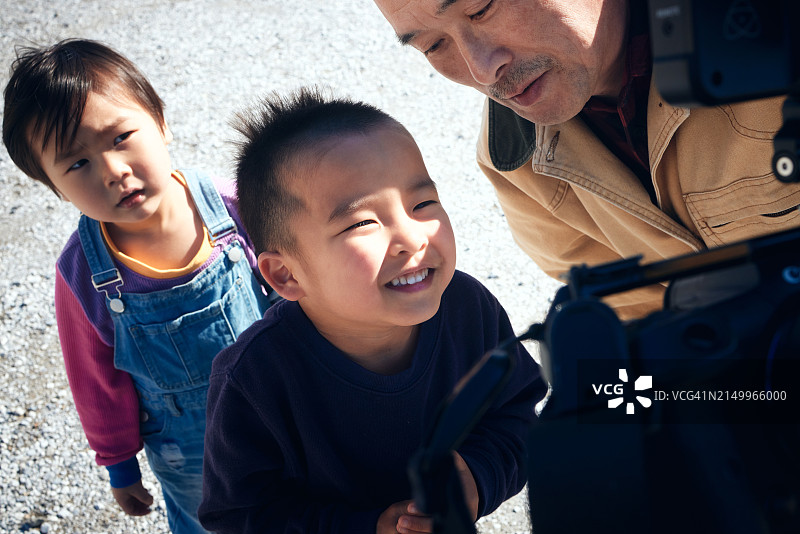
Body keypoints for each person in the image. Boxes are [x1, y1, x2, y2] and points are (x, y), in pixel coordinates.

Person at [197, 87, 546, 534]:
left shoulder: (467, 310)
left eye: (422, 204)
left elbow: (516, 416)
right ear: (285, 275)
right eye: (363, 222)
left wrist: (478, 478)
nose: (412, 237)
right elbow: (240, 516)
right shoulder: (255, 379)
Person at [372, 0, 800, 320]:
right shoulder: (515, 162)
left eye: (481, 8)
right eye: (433, 46)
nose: (482, 70)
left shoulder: (776, 31)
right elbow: (640, 324)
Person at [2, 39, 275, 533]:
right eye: (76, 163)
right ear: (53, 187)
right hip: (191, 452)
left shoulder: (235, 206)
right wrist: (119, 463)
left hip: (284, 400)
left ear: (161, 123)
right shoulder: (85, 272)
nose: (113, 171)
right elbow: (95, 379)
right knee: (211, 520)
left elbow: (303, 283)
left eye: (120, 137)